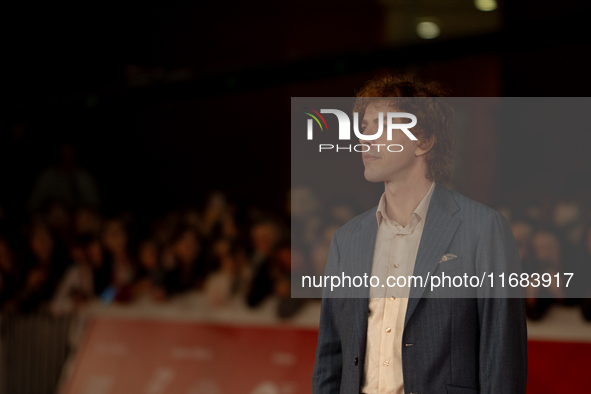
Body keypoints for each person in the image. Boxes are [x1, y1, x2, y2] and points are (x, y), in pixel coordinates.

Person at [312, 73, 527, 393]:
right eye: (364, 127)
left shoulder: (482, 228)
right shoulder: (347, 239)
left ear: (423, 141)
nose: (365, 138)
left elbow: (502, 353)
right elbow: (331, 357)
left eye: (381, 126)